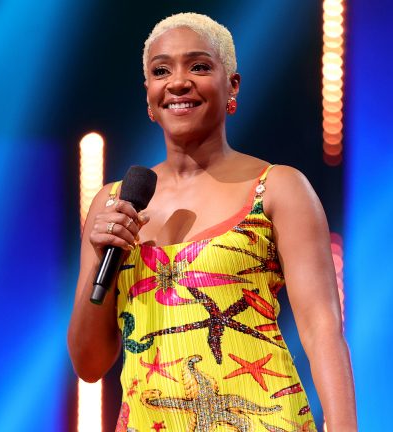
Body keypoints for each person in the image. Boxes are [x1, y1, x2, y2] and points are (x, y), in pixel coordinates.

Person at [68, 12, 357, 431]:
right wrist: (100, 260)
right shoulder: (113, 205)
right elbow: (89, 365)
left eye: (199, 66)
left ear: (232, 86)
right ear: (149, 95)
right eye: (161, 71)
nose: (178, 82)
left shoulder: (277, 188)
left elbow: (322, 330)